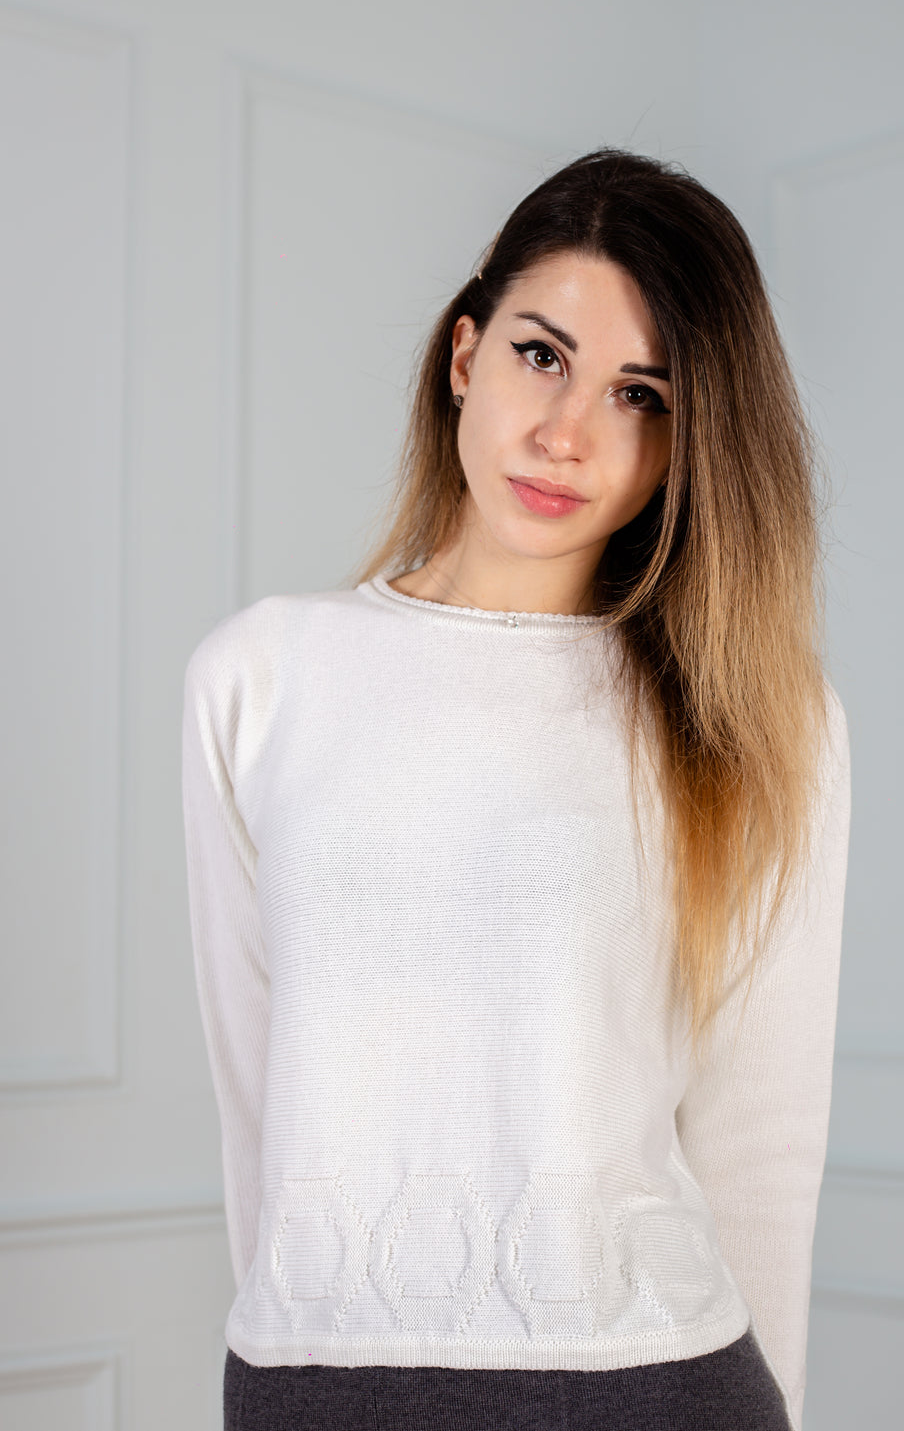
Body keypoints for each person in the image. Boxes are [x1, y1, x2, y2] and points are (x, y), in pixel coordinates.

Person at [181, 147, 851, 1431]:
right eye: (543, 356)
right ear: (462, 355)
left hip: (655, 1387)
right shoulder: (257, 677)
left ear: (685, 446)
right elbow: (253, 1092)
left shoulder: (756, 718)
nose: (569, 434)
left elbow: (765, 1141)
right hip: (314, 1382)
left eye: (641, 395)